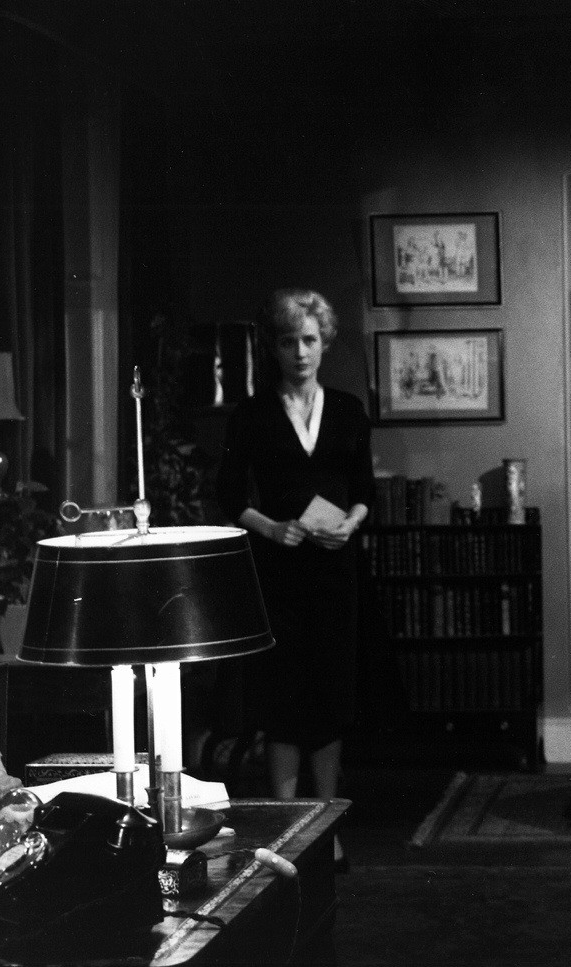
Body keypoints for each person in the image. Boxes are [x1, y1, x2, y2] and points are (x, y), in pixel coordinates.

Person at [217, 288, 373, 870]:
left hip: (334, 573)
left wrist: (350, 525)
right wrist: (271, 528)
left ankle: (327, 827)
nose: (300, 352)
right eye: (288, 342)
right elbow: (229, 496)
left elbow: (364, 491)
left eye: (309, 340)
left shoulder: (349, 410)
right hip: (278, 574)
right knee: (283, 698)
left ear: (324, 342)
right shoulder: (252, 415)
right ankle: (285, 826)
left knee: (329, 697)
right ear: (274, 347)